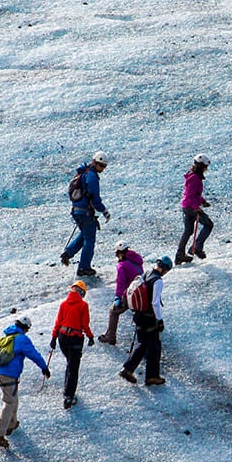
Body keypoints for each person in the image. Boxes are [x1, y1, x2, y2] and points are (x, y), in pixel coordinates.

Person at [0, 315, 50, 448]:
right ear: (26, 328)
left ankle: (11, 423)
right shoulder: (22, 339)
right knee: (9, 402)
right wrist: (44, 367)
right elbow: (34, 354)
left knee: (13, 398)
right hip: (8, 374)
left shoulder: (5, 337)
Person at [120, 256, 171, 386]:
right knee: (154, 345)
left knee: (142, 343)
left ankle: (128, 369)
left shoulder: (147, 273)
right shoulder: (157, 281)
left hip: (138, 314)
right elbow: (155, 302)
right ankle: (152, 376)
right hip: (149, 317)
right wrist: (159, 320)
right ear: (165, 268)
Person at [60, 152, 111, 277]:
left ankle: (68, 253)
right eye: (101, 166)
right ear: (95, 162)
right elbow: (94, 196)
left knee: (84, 234)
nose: (102, 169)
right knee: (89, 239)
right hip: (85, 212)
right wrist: (104, 211)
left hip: (77, 210)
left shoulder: (83, 173)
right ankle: (83, 268)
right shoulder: (92, 176)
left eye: (104, 166)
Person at [49, 279, 95, 410]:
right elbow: (84, 325)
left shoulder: (64, 304)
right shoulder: (83, 305)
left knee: (70, 363)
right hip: (75, 338)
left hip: (62, 337)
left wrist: (53, 337)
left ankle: (67, 390)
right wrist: (90, 337)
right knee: (74, 367)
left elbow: (58, 322)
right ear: (81, 292)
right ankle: (68, 396)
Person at [99, 240, 144, 344]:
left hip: (130, 293)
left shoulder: (122, 265)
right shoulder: (136, 259)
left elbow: (121, 282)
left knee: (113, 311)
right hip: (140, 291)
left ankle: (110, 337)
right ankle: (108, 333)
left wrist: (118, 297)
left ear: (119, 253)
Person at [176, 153, 215, 264]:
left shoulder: (192, 176)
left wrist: (203, 202)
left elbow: (195, 194)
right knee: (208, 224)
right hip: (191, 207)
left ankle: (179, 255)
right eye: (205, 167)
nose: (206, 169)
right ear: (201, 166)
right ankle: (197, 247)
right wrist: (196, 208)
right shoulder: (195, 179)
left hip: (186, 206)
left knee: (188, 231)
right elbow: (191, 195)